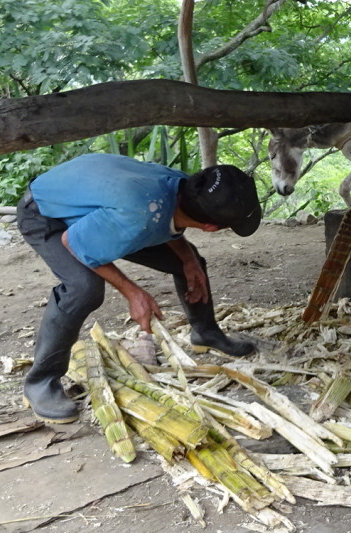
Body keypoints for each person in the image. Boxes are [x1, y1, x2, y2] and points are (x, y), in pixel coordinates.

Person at [16, 153, 262, 424]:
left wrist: (189, 259)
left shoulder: (187, 186)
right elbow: (74, 243)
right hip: (47, 213)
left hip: (107, 205)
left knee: (189, 261)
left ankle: (206, 333)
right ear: (210, 228)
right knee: (84, 288)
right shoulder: (139, 216)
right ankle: (41, 382)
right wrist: (134, 293)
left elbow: (171, 220)